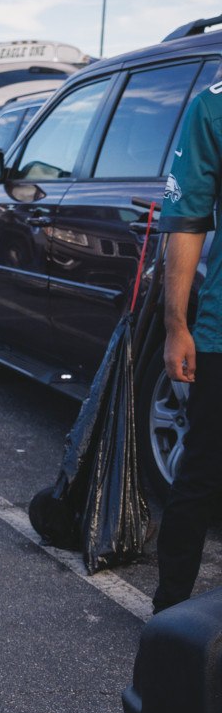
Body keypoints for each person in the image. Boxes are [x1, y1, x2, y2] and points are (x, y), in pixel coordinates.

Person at [152, 80, 222, 613]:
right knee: (203, 470)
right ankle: (169, 609)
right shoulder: (213, 103)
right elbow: (187, 221)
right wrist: (177, 323)